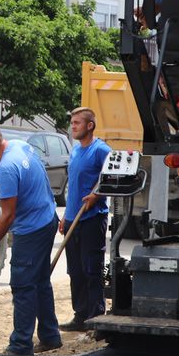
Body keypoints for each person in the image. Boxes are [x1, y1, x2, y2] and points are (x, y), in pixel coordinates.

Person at [0, 123, 61, 355]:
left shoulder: (7, 169)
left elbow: (8, 214)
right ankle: (51, 337)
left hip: (31, 230)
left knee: (23, 286)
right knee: (40, 281)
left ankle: (21, 344)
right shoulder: (22, 146)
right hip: (47, 219)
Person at [58, 107, 112, 332]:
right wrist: (65, 217)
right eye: (72, 122)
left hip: (92, 218)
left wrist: (97, 194)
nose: (73, 126)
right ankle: (80, 316)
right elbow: (73, 188)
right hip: (73, 219)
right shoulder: (75, 151)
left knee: (91, 269)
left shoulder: (101, 150)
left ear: (90, 125)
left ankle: (95, 316)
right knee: (75, 271)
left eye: (77, 122)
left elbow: (112, 176)